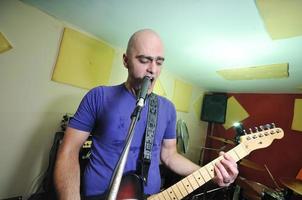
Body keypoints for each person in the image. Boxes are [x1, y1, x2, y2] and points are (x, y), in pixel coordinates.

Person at [54, 29, 238, 200]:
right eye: (144, 60)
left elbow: (169, 155)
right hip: (98, 195)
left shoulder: (167, 108)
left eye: (159, 62)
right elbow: (68, 151)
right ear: (126, 60)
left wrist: (209, 173)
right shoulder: (99, 96)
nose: (153, 70)